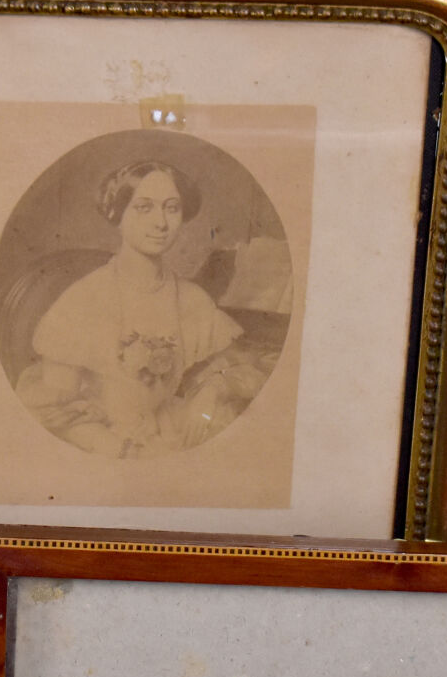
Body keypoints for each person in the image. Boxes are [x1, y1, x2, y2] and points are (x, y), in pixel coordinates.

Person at [15, 160, 263, 456]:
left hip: (168, 430)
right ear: (117, 214)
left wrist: (213, 390)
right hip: (104, 443)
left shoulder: (191, 299)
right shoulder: (82, 299)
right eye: (144, 208)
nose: (161, 223)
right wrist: (119, 449)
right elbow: (55, 415)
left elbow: (244, 366)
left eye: (172, 208)